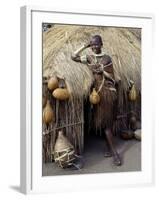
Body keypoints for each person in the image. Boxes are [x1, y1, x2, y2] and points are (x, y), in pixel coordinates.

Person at [71, 35, 121, 166]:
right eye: (92, 45)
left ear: (101, 44)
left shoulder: (107, 58)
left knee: (107, 125)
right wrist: (84, 46)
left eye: (96, 44)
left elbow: (113, 78)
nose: (94, 47)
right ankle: (110, 149)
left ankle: (115, 154)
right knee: (105, 123)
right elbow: (73, 56)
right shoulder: (89, 58)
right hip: (97, 95)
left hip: (108, 93)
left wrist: (102, 71)